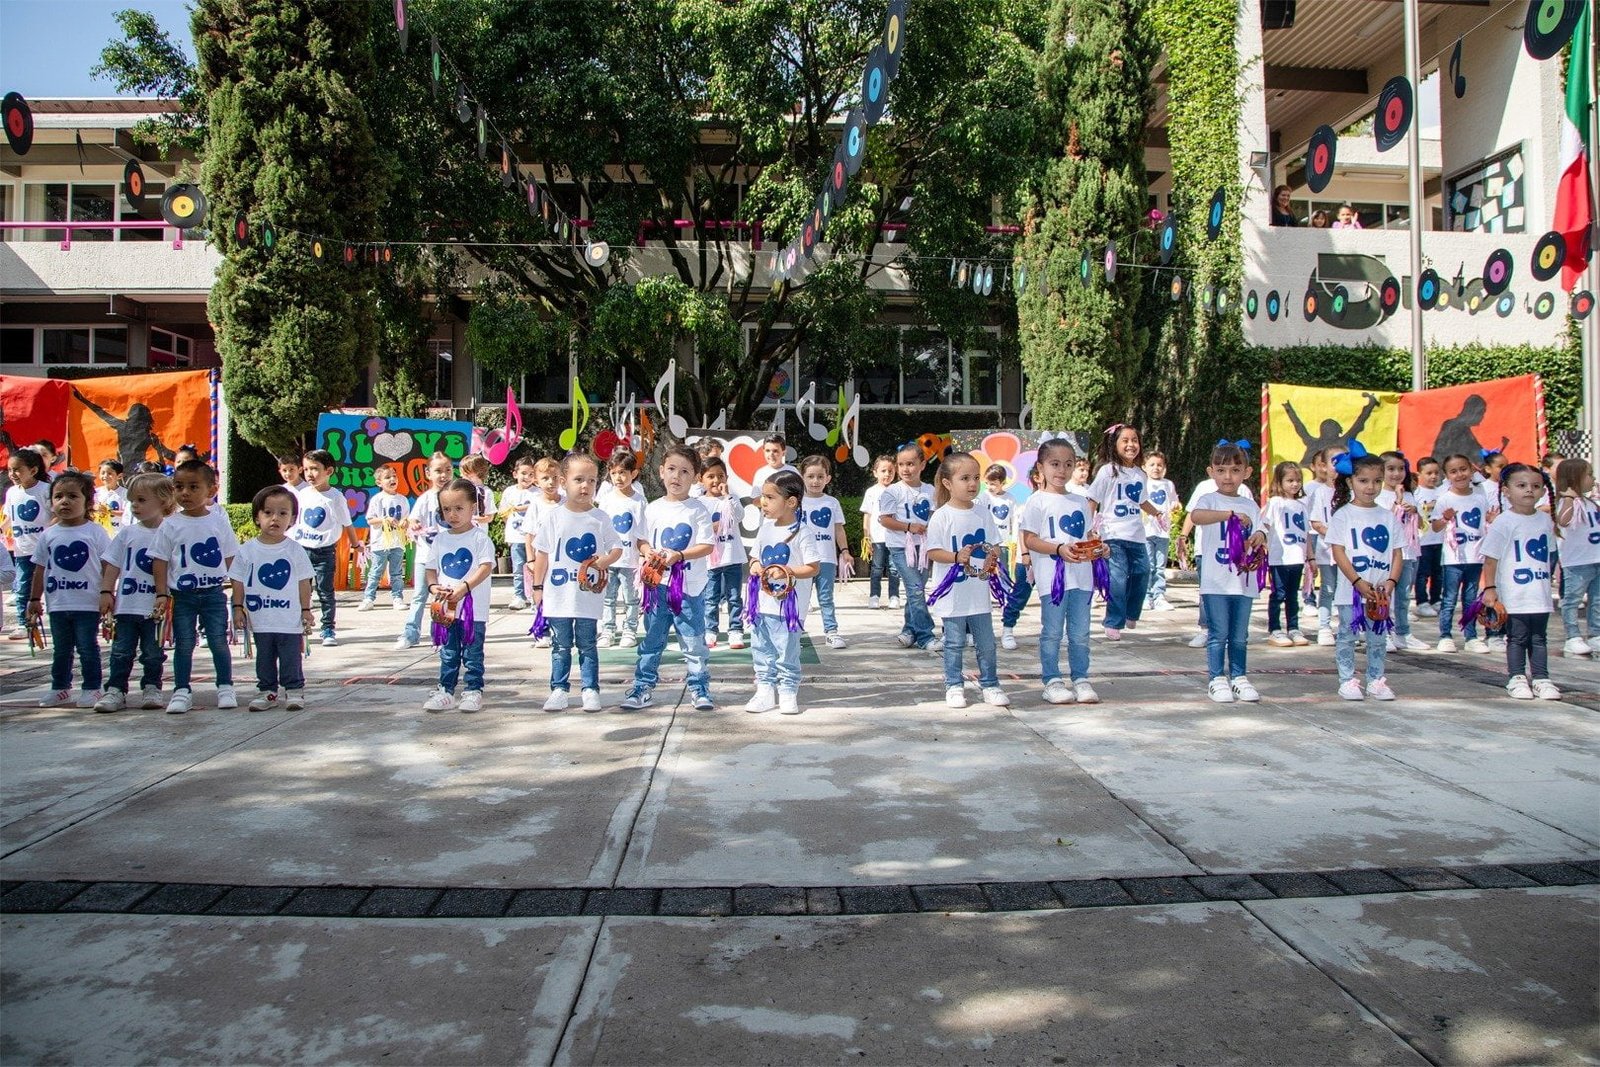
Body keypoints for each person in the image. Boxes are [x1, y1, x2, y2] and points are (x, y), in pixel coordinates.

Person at [622, 445, 716, 711]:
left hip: (689, 589)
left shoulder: (698, 510)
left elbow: (707, 546)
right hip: (657, 587)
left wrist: (680, 555)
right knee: (652, 639)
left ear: (695, 478)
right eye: (672, 469)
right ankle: (642, 686)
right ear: (662, 471)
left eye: (685, 471)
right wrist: (647, 551)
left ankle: (699, 687)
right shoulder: (652, 508)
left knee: (693, 641)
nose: (677, 476)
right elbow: (641, 540)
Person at [532, 452, 622, 712]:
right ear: (564, 482)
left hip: (587, 595)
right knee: (560, 645)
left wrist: (605, 561)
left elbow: (617, 547)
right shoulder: (553, 517)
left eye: (592, 480)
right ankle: (559, 689)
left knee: (587, 643)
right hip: (558, 595)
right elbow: (542, 554)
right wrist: (538, 587)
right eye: (579, 479)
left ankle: (590, 689)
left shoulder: (600, 517)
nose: (585, 486)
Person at [151, 459, 239, 714]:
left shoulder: (218, 521)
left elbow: (231, 557)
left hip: (214, 594)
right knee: (184, 643)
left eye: (193, 487)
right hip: (182, 596)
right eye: (179, 487)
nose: (185, 493)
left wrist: (239, 594)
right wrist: (161, 593)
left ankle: (225, 686)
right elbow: (160, 559)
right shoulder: (170, 524)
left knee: (218, 641)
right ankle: (181, 690)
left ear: (211, 490)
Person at [1019, 439, 1103, 704]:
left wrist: (1098, 548)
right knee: (1053, 631)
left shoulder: (1080, 501)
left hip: (1082, 578)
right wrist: (1057, 549)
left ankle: (1081, 678)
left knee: (1080, 633)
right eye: (1055, 464)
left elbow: (1088, 535)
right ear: (1041, 467)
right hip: (1053, 580)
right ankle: (1052, 680)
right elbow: (1030, 539)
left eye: (1068, 464)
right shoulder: (1036, 502)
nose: (1062, 470)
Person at [925, 453, 1009, 709]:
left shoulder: (983, 513)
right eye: (964, 478)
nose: (972, 484)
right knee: (954, 643)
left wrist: (993, 556)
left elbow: (995, 545)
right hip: (954, 595)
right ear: (948, 483)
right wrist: (955, 557)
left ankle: (990, 684)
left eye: (975, 477)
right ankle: (953, 685)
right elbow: (933, 552)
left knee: (987, 643)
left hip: (979, 594)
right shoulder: (941, 516)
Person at [1188, 442, 1267, 704]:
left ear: (1247, 472)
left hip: (1243, 582)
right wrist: (1228, 514)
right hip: (1215, 581)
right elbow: (1197, 516)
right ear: (1211, 472)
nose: (1228, 477)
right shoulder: (1209, 500)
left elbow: (1262, 528)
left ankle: (1239, 677)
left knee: (1240, 635)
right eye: (1221, 470)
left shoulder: (1250, 504)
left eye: (1235, 470)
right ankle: (1216, 678)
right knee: (1217, 633)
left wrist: (1259, 535)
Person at [27, 472, 111, 707]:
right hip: (58, 604)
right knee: (61, 650)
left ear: (88, 502)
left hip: (87, 603)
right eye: (59, 496)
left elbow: (107, 566)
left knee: (87, 647)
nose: (65, 501)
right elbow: (40, 569)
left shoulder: (95, 532)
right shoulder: (48, 535)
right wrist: (34, 598)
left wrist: (107, 593)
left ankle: (92, 688)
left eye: (73, 496)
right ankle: (60, 688)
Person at [228, 486, 315, 712]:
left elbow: (304, 581)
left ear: (292, 519)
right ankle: (267, 691)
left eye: (283, 513)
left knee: (290, 657)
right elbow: (237, 581)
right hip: (260, 618)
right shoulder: (247, 550)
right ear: (257, 516)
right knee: (264, 656)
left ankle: (294, 690)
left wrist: (306, 610)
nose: (275, 518)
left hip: (289, 619)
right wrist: (237, 607)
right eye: (268, 512)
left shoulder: (295, 550)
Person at [743, 469, 821, 715]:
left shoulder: (802, 532)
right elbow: (755, 556)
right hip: (761, 604)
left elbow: (813, 567)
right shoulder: (765, 528)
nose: (763, 502)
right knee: (761, 648)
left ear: (791, 502)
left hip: (788, 608)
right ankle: (764, 690)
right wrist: (755, 565)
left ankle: (788, 691)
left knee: (787, 650)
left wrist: (787, 571)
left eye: (770, 497)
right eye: (763, 497)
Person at [94, 472, 173, 712]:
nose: (135, 506)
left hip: (156, 609)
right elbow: (112, 564)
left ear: (163, 501)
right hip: (127, 605)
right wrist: (106, 591)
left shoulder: (171, 533)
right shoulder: (127, 533)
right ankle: (115, 690)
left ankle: (152, 687)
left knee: (153, 652)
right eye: (132, 501)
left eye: (141, 500)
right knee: (120, 651)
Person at [1327, 450, 1403, 701]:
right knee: (1347, 635)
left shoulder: (1388, 516)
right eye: (1363, 481)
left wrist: (1391, 582)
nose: (1370, 487)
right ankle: (1347, 680)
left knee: (1378, 637)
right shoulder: (1343, 515)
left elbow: (1397, 553)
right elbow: (1338, 552)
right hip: (1351, 591)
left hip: (1379, 592)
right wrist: (1357, 581)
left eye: (1377, 481)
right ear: (1350, 482)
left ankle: (1376, 680)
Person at [1480, 463, 1560, 699]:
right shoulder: (1504, 521)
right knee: (1517, 637)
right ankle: (1516, 677)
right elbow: (1491, 559)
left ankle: (1541, 678)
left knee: (1539, 637)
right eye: (1522, 485)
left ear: (1543, 490)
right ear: (1506, 491)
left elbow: (1549, 555)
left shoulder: (1545, 520)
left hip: (1539, 592)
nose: (1529, 490)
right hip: (1514, 592)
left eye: (1535, 486)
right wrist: (1490, 588)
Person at [422, 478, 496, 713]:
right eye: (446, 509)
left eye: (458, 508)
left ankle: (473, 690)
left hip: (473, 611)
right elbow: (430, 569)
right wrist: (433, 587)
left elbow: (486, 567)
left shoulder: (480, 538)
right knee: (448, 651)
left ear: (473, 507)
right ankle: (445, 691)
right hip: (447, 610)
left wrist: (464, 587)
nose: (452, 514)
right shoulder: (440, 539)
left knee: (472, 652)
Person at [1087, 423, 1163, 640]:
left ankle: (1131, 613)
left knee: (1143, 573)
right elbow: (1092, 500)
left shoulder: (1140, 474)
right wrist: (1089, 529)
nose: (1131, 445)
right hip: (1113, 534)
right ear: (1114, 444)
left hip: (1137, 535)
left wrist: (1157, 513)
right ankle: (1113, 622)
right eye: (1125, 440)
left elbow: (1142, 500)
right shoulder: (1107, 471)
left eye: (1135, 440)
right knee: (1118, 579)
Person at [1430, 453, 1494, 654]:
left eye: (1463, 469)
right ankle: (1445, 636)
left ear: (1471, 470)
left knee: (1471, 598)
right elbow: (1435, 527)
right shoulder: (1445, 499)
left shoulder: (1480, 497)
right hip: (1453, 559)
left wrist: (1492, 519)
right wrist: (1445, 519)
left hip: (1476, 557)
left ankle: (1471, 636)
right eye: (1453, 471)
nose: (1459, 475)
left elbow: (1485, 522)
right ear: (1447, 475)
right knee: (1449, 599)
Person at [290, 449, 354, 647]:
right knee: (300, 590)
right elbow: (294, 520)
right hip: (302, 549)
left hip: (324, 552)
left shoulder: (335, 497)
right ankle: (299, 625)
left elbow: (347, 523)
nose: (310, 474)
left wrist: (356, 544)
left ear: (329, 471)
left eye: (315, 469)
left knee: (325, 591)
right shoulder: (302, 494)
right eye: (306, 469)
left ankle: (328, 628)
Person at [879, 442, 937, 652]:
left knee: (917, 590)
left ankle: (909, 630)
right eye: (901, 464)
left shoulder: (930, 490)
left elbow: (934, 516)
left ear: (922, 464)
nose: (905, 469)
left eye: (910, 464)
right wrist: (909, 527)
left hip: (924, 548)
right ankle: (926, 635)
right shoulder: (892, 491)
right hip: (901, 548)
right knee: (915, 589)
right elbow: (884, 519)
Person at [395, 452, 455, 651]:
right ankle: (410, 633)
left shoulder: (455, 497)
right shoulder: (425, 499)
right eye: (438, 471)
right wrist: (413, 524)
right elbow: (413, 519)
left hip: (447, 558)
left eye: (448, 470)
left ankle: (439, 635)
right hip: (425, 556)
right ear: (428, 473)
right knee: (420, 595)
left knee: (443, 597)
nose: (443, 475)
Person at [1378, 451, 1430, 652]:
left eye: (1401, 469)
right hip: (1387, 555)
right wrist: (1397, 502)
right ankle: (1384, 631)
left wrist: (1414, 511)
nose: (1396, 473)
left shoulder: (1410, 495)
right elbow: (1384, 524)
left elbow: (1422, 524)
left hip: (1407, 552)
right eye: (1391, 469)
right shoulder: (1379, 496)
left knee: (1404, 595)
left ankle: (1403, 632)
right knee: (1385, 594)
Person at [799, 455, 851, 649]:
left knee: (826, 597)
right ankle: (795, 631)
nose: (815, 481)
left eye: (820, 476)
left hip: (826, 558)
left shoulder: (832, 502)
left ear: (828, 478)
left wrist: (845, 550)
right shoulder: (796, 502)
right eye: (811, 476)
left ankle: (831, 632)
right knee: (801, 597)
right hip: (802, 560)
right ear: (802, 477)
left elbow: (838, 529)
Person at [599, 450, 646, 647]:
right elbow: (600, 529)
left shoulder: (639, 501)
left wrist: (643, 554)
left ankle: (630, 630)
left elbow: (642, 532)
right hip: (609, 559)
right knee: (607, 598)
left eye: (623, 473)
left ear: (633, 474)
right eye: (614, 473)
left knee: (631, 598)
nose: (618, 477)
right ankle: (607, 630)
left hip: (630, 560)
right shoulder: (606, 500)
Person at [700, 457, 746, 650]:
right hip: (711, 560)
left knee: (734, 597)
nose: (716, 480)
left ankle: (736, 630)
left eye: (720, 476)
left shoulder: (731, 498)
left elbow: (739, 516)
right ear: (701, 479)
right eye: (710, 476)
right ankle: (710, 630)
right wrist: (715, 526)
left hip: (732, 557)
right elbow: (700, 529)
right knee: (711, 597)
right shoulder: (699, 503)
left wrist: (728, 496)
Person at [1554, 458, 1599, 657]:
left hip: (1596, 558)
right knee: (1572, 600)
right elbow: (1563, 521)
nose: (1593, 479)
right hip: (1577, 562)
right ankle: (1572, 637)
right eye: (1589, 475)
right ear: (1575, 478)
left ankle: (1595, 634)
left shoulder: (1591, 503)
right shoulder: (1566, 502)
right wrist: (1569, 499)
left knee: (1597, 600)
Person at [6, 448, 53, 638]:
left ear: (33, 470)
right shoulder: (11, 492)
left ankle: (56, 619)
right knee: (23, 587)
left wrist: (49, 533)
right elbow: (9, 517)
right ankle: (24, 624)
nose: (12, 474)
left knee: (51, 586)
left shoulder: (45, 490)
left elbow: (57, 515)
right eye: (10, 470)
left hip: (46, 551)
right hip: (22, 550)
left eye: (17, 469)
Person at [1263, 460, 1310, 647]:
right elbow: (1265, 525)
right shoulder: (1276, 502)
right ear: (1279, 482)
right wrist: (1262, 544)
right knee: (1278, 594)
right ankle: (1275, 629)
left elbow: (1306, 533)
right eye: (1290, 480)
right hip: (1280, 558)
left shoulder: (1302, 505)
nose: (1295, 484)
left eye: (1298, 480)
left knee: (1292, 595)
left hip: (1297, 557)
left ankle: (1293, 627)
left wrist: (1311, 557)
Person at [358, 465, 410, 612]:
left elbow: (406, 518)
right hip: (380, 543)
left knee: (396, 572)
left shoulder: (402, 499)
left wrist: (404, 522)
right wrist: (384, 519)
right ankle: (368, 598)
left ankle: (397, 598)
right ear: (379, 482)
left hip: (397, 542)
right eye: (388, 477)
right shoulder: (377, 499)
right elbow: (370, 520)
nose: (392, 479)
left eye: (394, 476)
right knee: (375, 571)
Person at [980, 463, 1020, 648]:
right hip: (986, 543)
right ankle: (983, 600)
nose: (990, 487)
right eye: (988, 483)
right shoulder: (983, 497)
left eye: (994, 484)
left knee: (1003, 574)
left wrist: (1014, 539)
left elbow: (1014, 520)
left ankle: (1004, 599)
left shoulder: (1010, 499)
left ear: (1003, 483)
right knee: (984, 572)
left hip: (1003, 543)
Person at [1305, 447, 1340, 645]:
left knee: (1348, 589)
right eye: (1334, 462)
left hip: (1350, 552)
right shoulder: (1319, 492)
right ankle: (1324, 627)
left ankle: (1349, 626)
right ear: (1324, 466)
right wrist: (1335, 535)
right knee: (1328, 588)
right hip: (1328, 550)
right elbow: (1316, 522)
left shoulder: (1353, 492)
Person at [859, 455, 900, 610]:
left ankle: (894, 596)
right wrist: (866, 537)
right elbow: (867, 515)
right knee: (876, 568)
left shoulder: (898, 490)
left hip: (895, 537)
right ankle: (874, 596)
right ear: (875, 473)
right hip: (877, 537)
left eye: (890, 471)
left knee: (894, 569)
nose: (887, 474)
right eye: (883, 471)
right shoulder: (871, 492)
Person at [499, 457, 539, 611]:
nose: (527, 477)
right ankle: (519, 596)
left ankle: (536, 597)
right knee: (518, 568)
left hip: (534, 538)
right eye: (523, 473)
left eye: (531, 474)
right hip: (516, 537)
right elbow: (503, 513)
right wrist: (509, 529)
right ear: (515, 474)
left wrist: (520, 508)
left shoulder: (537, 493)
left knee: (535, 567)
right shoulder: (509, 492)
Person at [1142, 451, 1177, 613]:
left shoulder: (1168, 484)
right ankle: (1146, 596)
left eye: (1159, 465)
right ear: (1144, 467)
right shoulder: (1143, 483)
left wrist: (1175, 506)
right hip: (1146, 531)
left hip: (1163, 532)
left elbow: (1174, 501)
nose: (1156, 468)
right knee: (1148, 565)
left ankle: (1159, 596)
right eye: (1152, 465)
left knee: (1160, 566)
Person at [1413, 457, 1445, 616]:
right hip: (1423, 541)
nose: (1433, 476)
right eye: (1429, 473)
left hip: (1440, 539)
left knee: (1438, 572)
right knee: (1422, 573)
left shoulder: (1442, 492)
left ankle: (1436, 600)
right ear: (1419, 474)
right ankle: (1422, 602)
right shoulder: (1416, 494)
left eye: (1436, 473)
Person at [95, 459, 129, 529]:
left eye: (110, 473)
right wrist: (95, 507)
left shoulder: (125, 493)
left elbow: (127, 513)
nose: (105, 476)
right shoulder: (95, 492)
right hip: (100, 531)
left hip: (118, 531)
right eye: (103, 473)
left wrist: (109, 511)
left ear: (119, 476)